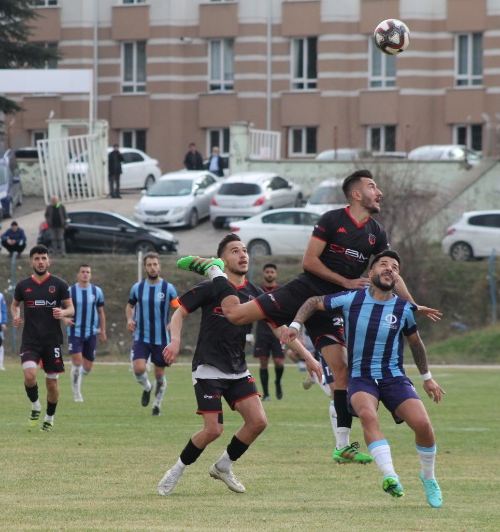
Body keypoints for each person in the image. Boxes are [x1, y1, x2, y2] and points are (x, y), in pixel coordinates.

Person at [176, 169, 441, 464]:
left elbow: (389, 270)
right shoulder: (332, 220)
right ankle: (214, 270)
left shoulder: (376, 233)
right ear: (356, 194)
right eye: (372, 186)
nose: (379, 192)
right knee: (235, 314)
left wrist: (413, 305)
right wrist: (345, 282)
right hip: (303, 290)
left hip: (328, 306)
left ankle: (342, 446)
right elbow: (309, 261)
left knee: (341, 369)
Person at [157, 234, 322, 496]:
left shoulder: (255, 293)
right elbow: (178, 313)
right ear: (221, 260)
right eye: (235, 251)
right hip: (208, 366)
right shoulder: (211, 285)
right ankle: (176, 470)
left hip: (237, 369)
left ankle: (223, 466)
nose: (243, 254)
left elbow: (280, 329)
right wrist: (175, 341)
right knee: (213, 429)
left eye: (245, 250)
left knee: (258, 421)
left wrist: (309, 357)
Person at [284, 250, 445, 507]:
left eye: (394, 266)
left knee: (423, 426)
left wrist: (427, 377)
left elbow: (416, 343)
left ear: (397, 276)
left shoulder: (403, 308)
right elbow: (314, 301)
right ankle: (390, 475)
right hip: (361, 378)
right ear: (370, 273)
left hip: (394, 378)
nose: (389, 268)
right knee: (368, 416)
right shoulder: (353, 298)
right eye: (383, 264)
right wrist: (295, 325)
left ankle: (428, 478)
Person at [11, 244, 74, 432]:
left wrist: (63, 312)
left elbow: (71, 309)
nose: (40, 262)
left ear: (49, 261)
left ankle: (49, 416)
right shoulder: (23, 286)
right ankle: (36, 405)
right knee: (29, 376)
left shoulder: (59, 284)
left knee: (51, 383)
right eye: (37, 259)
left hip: (51, 340)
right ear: (31, 262)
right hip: (30, 340)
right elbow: (14, 305)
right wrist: (15, 315)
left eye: (43, 258)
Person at [125, 252, 177, 416]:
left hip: (161, 338)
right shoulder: (137, 288)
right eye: (149, 265)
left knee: (159, 374)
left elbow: (179, 307)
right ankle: (148, 387)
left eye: (155, 264)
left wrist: (173, 322)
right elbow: (129, 306)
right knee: (139, 369)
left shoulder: (168, 288)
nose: (153, 267)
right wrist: (129, 319)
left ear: (159, 266)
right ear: (145, 267)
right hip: (141, 336)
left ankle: (157, 404)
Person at [67, 264, 106, 402]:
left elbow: (101, 312)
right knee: (77, 362)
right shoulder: (70, 291)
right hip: (74, 332)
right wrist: (64, 318)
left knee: (87, 367)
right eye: (83, 272)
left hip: (91, 333)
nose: (85, 274)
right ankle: (77, 393)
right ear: (78, 274)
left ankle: (76, 379)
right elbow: (60, 309)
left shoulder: (97, 291)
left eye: (87, 272)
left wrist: (103, 331)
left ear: (90, 274)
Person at [252, 263, 286, 401]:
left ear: (275, 274)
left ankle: (278, 383)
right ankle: (266, 393)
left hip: (278, 331)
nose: (270, 274)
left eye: (272, 272)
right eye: (267, 272)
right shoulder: (258, 291)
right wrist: (248, 332)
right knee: (263, 362)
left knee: (278, 362)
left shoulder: (282, 291)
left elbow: (287, 309)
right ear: (264, 274)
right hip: (262, 332)